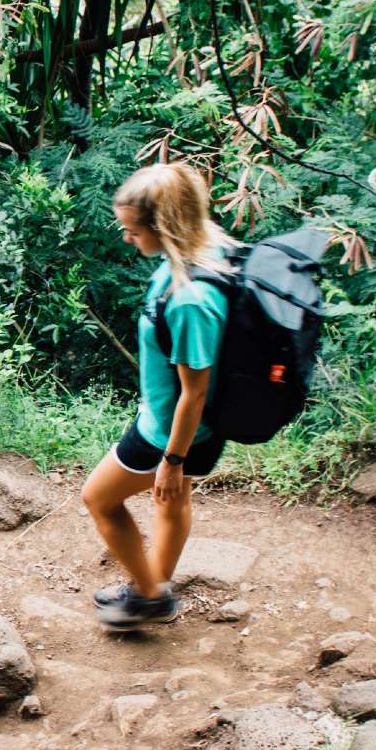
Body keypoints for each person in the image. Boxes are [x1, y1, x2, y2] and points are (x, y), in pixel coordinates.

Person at [80, 159, 231, 630]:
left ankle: (148, 592)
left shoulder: (190, 300)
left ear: (164, 226)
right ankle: (155, 593)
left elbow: (195, 391)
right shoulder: (209, 250)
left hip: (169, 432)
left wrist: (173, 459)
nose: (127, 238)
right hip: (192, 429)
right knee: (172, 502)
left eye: (133, 230)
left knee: (99, 500)